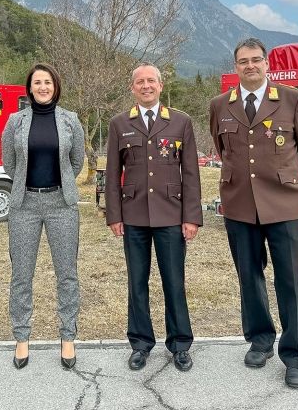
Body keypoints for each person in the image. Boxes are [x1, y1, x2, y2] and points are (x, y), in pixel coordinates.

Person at [208, 37, 298, 389]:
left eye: (256, 60)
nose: (250, 66)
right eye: (243, 61)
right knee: (249, 277)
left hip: (284, 202)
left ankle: (297, 355)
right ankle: (260, 339)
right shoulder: (219, 105)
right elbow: (222, 148)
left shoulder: (292, 100)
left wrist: (281, 178)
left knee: (292, 281)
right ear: (235, 67)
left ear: (267, 64)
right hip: (240, 203)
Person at [105, 63, 203, 372]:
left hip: (171, 215)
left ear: (160, 86)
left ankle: (180, 344)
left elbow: (190, 173)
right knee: (137, 283)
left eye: (151, 81)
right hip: (133, 214)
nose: (146, 86)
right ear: (132, 88)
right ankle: (140, 343)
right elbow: (112, 174)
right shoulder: (119, 123)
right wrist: (114, 215)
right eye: (140, 82)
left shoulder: (180, 122)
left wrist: (191, 217)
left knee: (174, 282)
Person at [1, 63, 85, 370]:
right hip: (24, 205)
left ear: (56, 86)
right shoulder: (15, 121)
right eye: (37, 82)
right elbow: (9, 164)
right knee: (21, 275)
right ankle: (22, 338)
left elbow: (77, 163)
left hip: (61, 204)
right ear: (30, 87)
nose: (43, 87)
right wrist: (29, 186)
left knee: (67, 274)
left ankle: (67, 337)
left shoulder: (70, 120)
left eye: (48, 82)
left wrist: (57, 185)